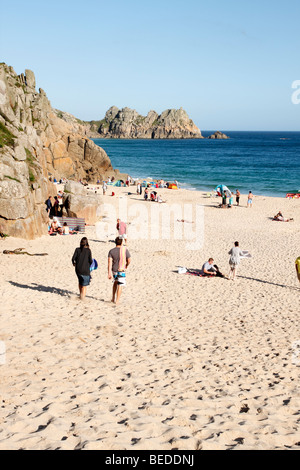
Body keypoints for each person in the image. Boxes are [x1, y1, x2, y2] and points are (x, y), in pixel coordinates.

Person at [108, 237, 131, 305]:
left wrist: (109, 272)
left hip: (114, 269)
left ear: (115, 242)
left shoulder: (111, 251)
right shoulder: (125, 250)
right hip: (121, 269)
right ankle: (117, 300)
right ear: (121, 242)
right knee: (120, 285)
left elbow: (109, 263)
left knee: (115, 283)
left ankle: (113, 298)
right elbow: (129, 260)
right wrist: (127, 265)